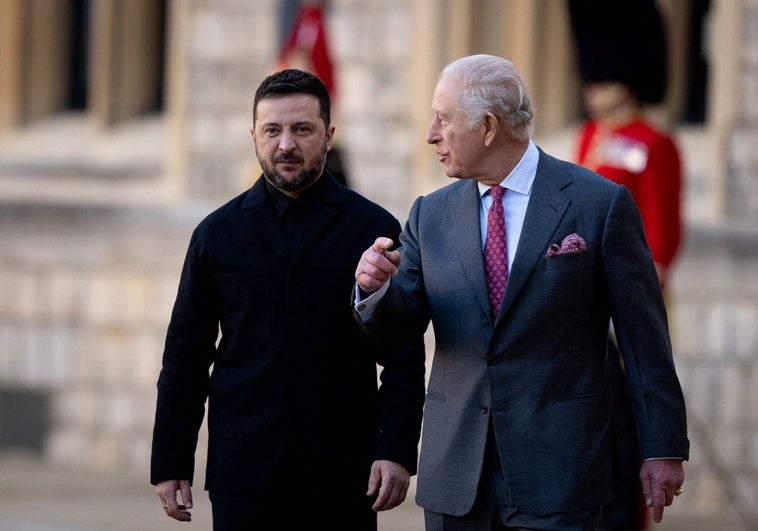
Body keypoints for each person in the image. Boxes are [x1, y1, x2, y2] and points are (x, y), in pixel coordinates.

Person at [353, 54, 688, 530]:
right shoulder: (430, 215)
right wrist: (373, 290)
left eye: (444, 119)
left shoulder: (598, 204)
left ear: (488, 127)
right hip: (456, 475)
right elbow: (398, 330)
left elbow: (644, 339)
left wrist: (662, 448)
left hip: (559, 474)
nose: (430, 134)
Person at [150, 68, 425, 531]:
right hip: (243, 474)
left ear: (329, 136)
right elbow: (185, 356)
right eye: (272, 130)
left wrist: (395, 451)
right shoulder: (216, 235)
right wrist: (171, 460)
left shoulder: (373, 229)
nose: (286, 145)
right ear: (253, 136)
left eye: (302, 129)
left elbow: (404, 351)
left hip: (344, 474)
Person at [568, 2, 684, 528]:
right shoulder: (589, 137)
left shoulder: (655, 143)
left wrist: (628, 309)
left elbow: (661, 241)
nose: (594, 86)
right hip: (580, 309)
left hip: (623, 314)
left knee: (625, 430)